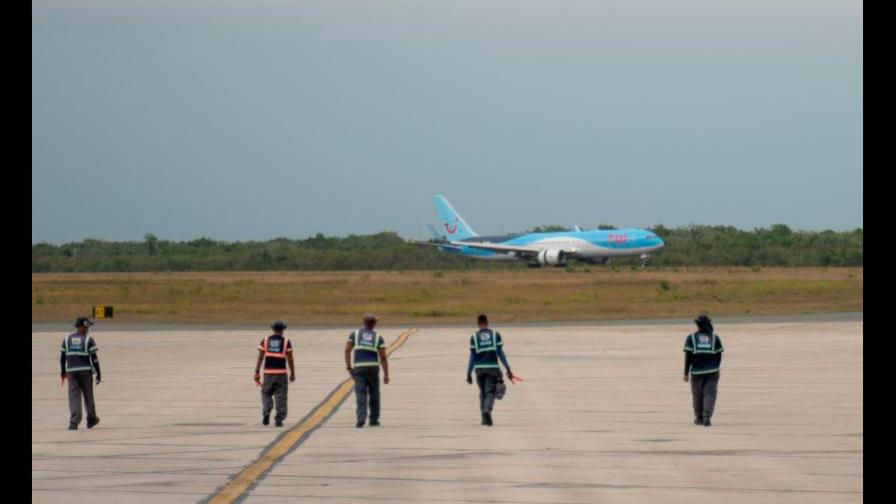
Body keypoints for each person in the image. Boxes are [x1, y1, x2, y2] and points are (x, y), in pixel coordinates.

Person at [466, 314, 514, 426]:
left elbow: (472, 357)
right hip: (492, 368)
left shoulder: (474, 337)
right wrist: (507, 368)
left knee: (482, 393)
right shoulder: (495, 335)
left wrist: (468, 373)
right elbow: (500, 353)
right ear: (487, 323)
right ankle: (487, 411)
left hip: (479, 370)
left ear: (478, 324)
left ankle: (483, 417)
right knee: (490, 392)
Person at [344, 314, 389, 428]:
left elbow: (347, 351)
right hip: (373, 368)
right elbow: (383, 357)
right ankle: (373, 419)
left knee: (361, 394)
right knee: (374, 395)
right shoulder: (378, 337)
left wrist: (349, 366)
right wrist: (386, 374)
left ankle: (361, 419)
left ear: (364, 322)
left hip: (359, 368)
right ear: (374, 324)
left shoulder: (355, 334)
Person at [60, 317, 101, 430]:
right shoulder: (88, 340)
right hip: (85, 372)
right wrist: (98, 372)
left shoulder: (67, 339)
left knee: (74, 396)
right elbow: (94, 358)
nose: (88, 328)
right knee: (88, 396)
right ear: (84, 326)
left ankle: (74, 422)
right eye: (88, 326)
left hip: (71, 372)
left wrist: (63, 371)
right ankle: (91, 419)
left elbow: (63, 357)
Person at [683, 315, 724, 426]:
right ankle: (707, 416)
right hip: (712, 372)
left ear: (698, 325)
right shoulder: (715, 338)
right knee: (710, 394)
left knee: (697, 395)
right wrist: (716, 368)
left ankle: (699, 417)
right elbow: (719, 355)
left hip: (696, 373)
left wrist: (686, 373)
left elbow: (688, 357)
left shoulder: (691, 338)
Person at [254, 321, 296, 427]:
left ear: (273, 329)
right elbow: (290, 359)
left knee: (266, 393)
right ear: (282, 330)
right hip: (281, 373)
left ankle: (267, 411)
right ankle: (279, 419)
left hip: (268, 373)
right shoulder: (286, 341)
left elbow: (260, 357)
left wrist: (257, 372)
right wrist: (292, 373)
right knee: (281, 396)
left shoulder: (265, 340)